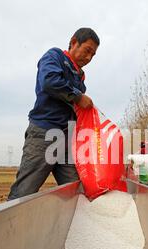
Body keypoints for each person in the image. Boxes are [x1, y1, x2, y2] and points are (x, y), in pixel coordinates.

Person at [8, 28, 100, 200]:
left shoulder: (80, 77)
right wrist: (78, 97)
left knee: (76, 190)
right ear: (73, 42)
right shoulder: (55, 56)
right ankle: (8, 225)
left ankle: (77, 224)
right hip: (45, 133)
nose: (88, 58)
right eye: (87, 50)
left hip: (67, 139)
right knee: (25, 191)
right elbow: (49, 81)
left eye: (93, 55)